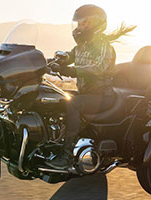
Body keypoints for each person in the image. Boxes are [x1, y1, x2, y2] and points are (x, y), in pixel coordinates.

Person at [45, 4, 136, 169]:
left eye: (83, 23)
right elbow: (66, 57)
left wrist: (71, 70)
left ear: (96, 24)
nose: (79, 27)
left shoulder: (104, 47)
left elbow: (98, 68)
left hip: (102, 96)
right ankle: (52, 145)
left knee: (73, 104)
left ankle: (66, 156)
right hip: (87, 94)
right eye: (78, 23)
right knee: (54, 98)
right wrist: (45, 63)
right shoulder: (81, 46)